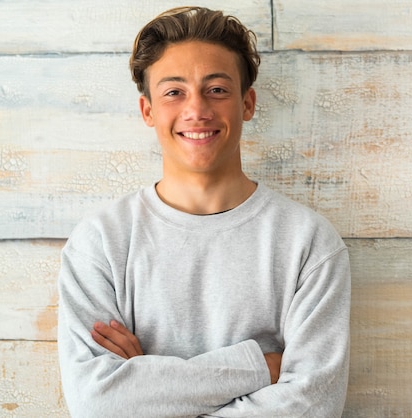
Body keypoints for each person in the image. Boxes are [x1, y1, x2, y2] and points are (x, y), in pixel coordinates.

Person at [57, 6, 351, 417]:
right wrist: (257, 367)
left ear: (247, 104)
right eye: (174, 92)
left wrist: (147, 386)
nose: (197, 110)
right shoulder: (100, 243)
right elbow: (96, 403)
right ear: (148, 111)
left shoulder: (309, 243)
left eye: (216, 89)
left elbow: (312, 406)